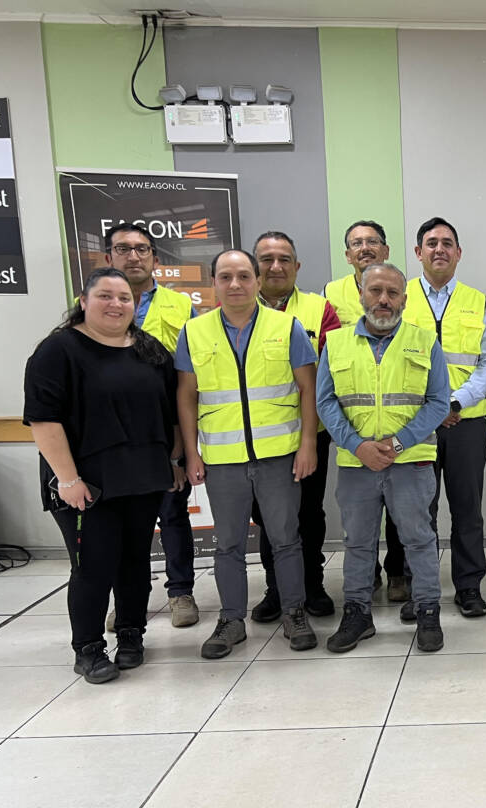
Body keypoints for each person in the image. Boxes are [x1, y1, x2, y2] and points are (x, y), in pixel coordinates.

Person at [24, 267, 182, 683]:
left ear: (135, 304)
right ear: (83, 301)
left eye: (124, 298)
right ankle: (89, 648)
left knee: (135, 563)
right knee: (93, 566)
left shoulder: (149, 349)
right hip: (85, 485)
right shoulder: (58, 350)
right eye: (105, 296)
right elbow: (43, 420)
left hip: (142, 480)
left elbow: (171, 412)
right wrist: (68, 479)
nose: (116, 304)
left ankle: (131, 635)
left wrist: (174, 461)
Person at [176, 249, 320, 659]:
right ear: (214, 284)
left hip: (279, 457)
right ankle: (231, 620)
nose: (235, 284)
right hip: (222, 461)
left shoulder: (286, 327)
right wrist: (192, 454)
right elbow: (186, 396)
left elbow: (308, 388)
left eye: (243, 276)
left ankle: (294, 613)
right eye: (225, 277)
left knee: (286, 539)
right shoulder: (194, 332)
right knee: (228, 544)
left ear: (257, 281)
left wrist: (308, 444)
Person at [316, 263, 450, 653]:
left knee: (419, 540)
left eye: (392, 293)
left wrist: (398, 443)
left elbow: (438, 402)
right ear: (361, 294)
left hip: (410, 461)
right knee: (357, 542)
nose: (383, 300)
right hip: (356, 463)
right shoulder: (336, 343)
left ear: (404, 300)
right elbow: (326, 402)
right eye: (375, 291)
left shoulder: (424, 341)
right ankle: (357, 614)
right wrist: (357, 445)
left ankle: (427, 611)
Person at [390, 217, 486, 620]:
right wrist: (431, 410)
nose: (440, 249)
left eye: (447, 243)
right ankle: (420, 589)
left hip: (466, 422)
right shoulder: (400, 299)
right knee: (417, 511)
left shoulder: (478, 301)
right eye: (432, 242)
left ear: (458, 253)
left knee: (467, 509)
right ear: (418, 252)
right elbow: (390, 361)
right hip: (414, 425)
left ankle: (469, 587)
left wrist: (454, 404)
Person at [101, 223, 198, 631]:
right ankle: (126, 598)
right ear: (108, 257)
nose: (133, 256)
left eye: (142, 249)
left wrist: (181, 445)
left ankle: (180, 592)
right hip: (112, 434)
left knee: (172, 512)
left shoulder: (181, 306)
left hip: (166, 429)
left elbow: (190, 374)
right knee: (119, 521)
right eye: (123, 249)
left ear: (155, 259)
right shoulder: (91, 304)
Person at [249, 230, 343, 624]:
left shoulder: (320, 310)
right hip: (255, 438)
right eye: (267, 259)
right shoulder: (233, 309)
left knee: (308, 513)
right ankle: (277, 588)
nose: (276, 266)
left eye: (284, 259)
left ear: (297, 266)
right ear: (255, 266)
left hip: (309, 434)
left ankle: (312, 584)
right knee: (267, 516)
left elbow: (336, 370)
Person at [324, 220, 392, 326]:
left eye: (372, 242)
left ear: (386, 252)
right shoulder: (330, 292)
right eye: (357, 243)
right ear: (348, 256)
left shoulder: (405, 290)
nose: (365, 248)